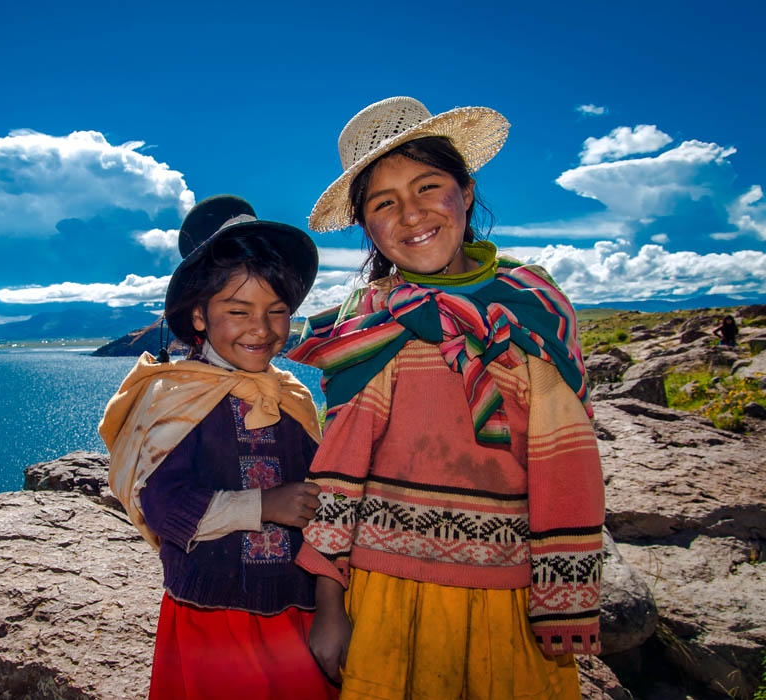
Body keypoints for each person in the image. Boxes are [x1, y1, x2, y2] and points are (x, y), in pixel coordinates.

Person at [287, 97, 605, 699]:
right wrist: (330, 603)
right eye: (384, 203)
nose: (411, 214)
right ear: (367, 227)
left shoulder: (530, 305)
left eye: (429, 187)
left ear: (466, 189)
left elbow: (565, 455)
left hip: (507, 595)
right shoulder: (366, 321)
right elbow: (340, 467)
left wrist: (563, 596)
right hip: (384, 592)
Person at [99, 195, 338, 700]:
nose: (262, 329)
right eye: (238, 310)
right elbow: (163, 508)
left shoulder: (290, 399)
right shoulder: (173, 400)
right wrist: (263, 505)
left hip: (299, 609)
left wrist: (331, 603)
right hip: (212, 618)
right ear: (199, 316)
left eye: (277, 312)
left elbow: (328, 501)